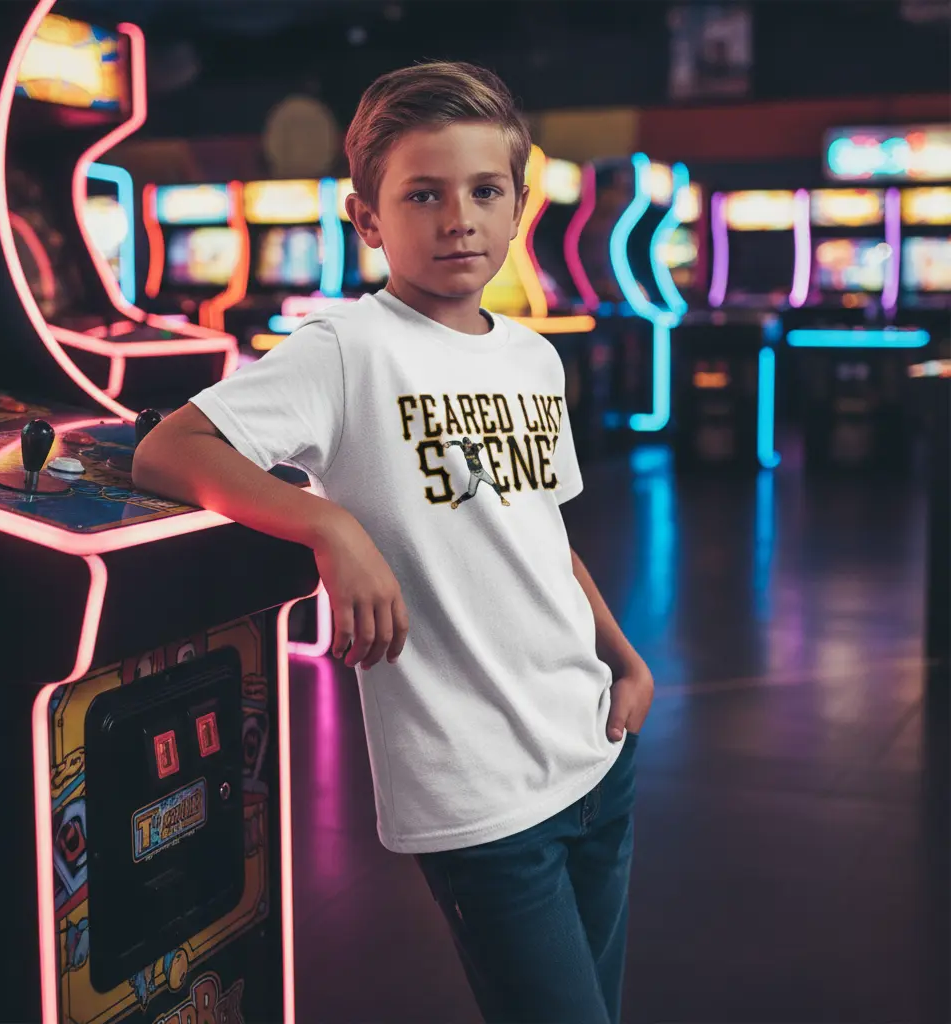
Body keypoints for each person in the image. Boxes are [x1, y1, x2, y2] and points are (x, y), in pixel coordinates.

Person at [133, 60, 654, 1024]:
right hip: (478, 792)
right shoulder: (346, 350)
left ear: (519, 207)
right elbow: (168, 450)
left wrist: (625, 658)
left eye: (485, 191)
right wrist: (329, 523)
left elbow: (543, 536)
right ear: (367, 218)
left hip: (596, 746)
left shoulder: (534, 358)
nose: (459, 218)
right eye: (423, 194)